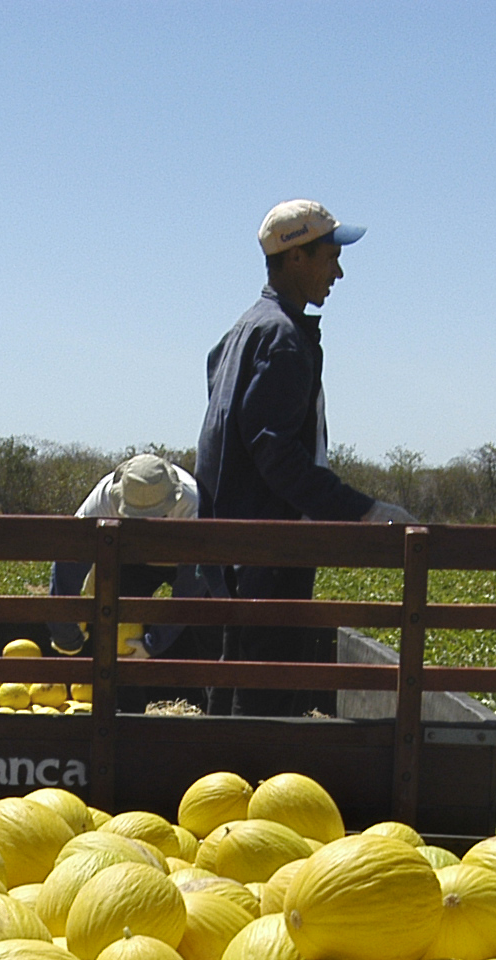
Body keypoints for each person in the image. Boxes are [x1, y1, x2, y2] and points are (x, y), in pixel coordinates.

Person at [195, 198, 415, 715]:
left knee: (233, 689)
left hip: (231, 550)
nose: (338, 273)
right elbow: (276, 453)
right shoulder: (284, 339)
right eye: (330, 256)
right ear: (296, 257)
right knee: (264, 703)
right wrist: (363, 511)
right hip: (269, 552)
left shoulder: (242, 331)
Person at [42, 451, 218, 669]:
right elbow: (68, 564)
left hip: (183, 560)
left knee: (207, 625)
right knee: (118, 622)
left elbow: (191, 586)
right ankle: (124, 690)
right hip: (133, 560)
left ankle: (209, 687)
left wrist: (155, 642)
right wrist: (64, 632)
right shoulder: (103, 499)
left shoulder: (193, 504)